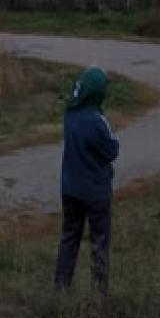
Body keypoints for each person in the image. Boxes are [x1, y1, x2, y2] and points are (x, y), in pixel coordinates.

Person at [54, 66, 120, 294]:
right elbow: (112, 150)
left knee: (69, 237)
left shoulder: (70, 114)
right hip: (95, 191)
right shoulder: (96, 120)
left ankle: (61, 286)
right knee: (99, 241)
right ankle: (99, 293)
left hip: (70, 188)